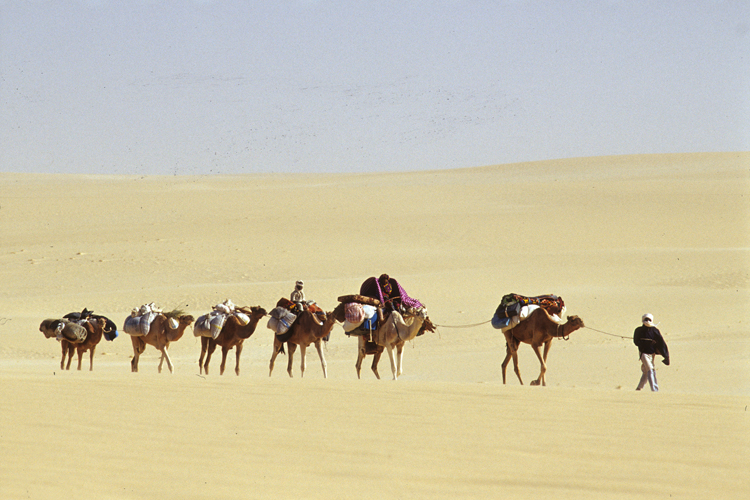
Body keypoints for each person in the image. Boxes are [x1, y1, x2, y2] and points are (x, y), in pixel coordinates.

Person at [633, 313, 670, 391]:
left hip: (652, 354)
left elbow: (661, 343)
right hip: (643, 353)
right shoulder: (639, 330)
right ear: (642, 320)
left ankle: (639, 388)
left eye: (649, 320)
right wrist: (644, 342)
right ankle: (654, 389)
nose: (647, 321)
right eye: (645, 319)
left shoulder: (654, 330)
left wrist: (666, 356)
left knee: (646, 371)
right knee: (650, 368)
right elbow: (636, 341)